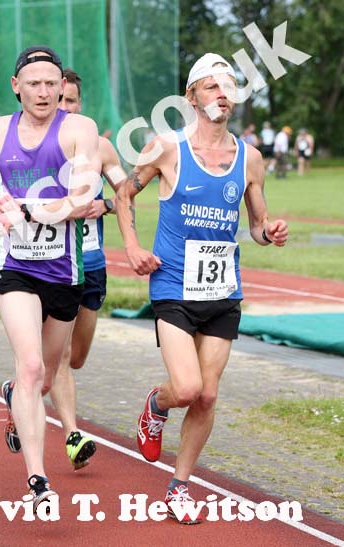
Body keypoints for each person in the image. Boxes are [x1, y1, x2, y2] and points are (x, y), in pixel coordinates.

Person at [114, 53, 289, 524]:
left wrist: (268, 232)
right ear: (191, 97)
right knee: (187, 387)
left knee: (208, 396)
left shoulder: (249, 158)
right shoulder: (167, 148)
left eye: (228, 86)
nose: (222, 94)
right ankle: (157, 402)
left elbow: (255, 223)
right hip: (172, 284)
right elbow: (122, 193)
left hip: (222, 289)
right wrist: (132, 247)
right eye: (211, 87)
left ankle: (180, 485)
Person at [0, 46, 99, 509]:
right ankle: (38, 480)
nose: (44, 92)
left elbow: (82, 199)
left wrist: (32, 208)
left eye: (52, 83)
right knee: (30, 367)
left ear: (62, 86)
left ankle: (15, 398)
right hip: (15, 266)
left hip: (63, 271)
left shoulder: (80, 129)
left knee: (43, 377)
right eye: (34, 83)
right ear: (15, 85)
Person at [48, 67, 125, 470]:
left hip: (91, 265)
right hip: (51, 266)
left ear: (80, 104)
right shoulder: (40, 146)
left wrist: (107, 204)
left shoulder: (101, 149)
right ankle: (72, 436)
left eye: (70, 99)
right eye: (58, 99)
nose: (64, 106)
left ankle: (20, 386)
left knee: (76, 358)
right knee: (58, 360)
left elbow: (126, 190)